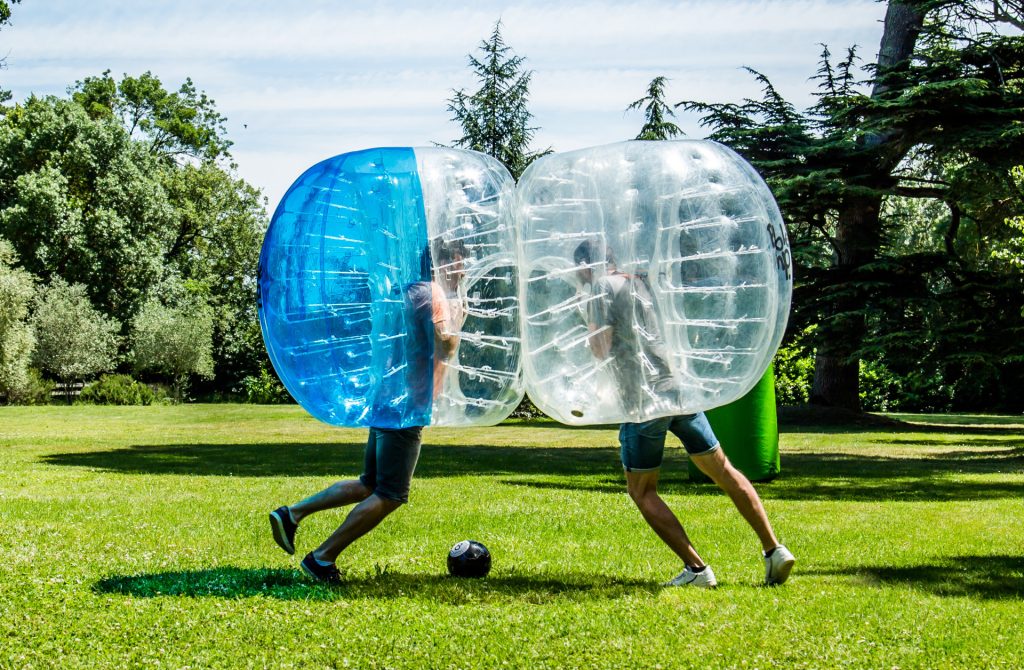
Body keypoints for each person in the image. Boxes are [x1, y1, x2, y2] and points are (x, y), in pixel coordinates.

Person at [573, 239, 794, 588]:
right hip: (677, 391)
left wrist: (588, 319)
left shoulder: (600, 288)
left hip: (643, 402)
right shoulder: (640, 282)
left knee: (641, 490)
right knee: (723, 470)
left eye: (579, 271)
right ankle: (774, 549)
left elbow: (601, 348)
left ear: (587, 266)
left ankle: (696, 569)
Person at [269, 239, 467, 583]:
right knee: (390, 494)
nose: (463, 269)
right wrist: (457, 325)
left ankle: (292, 514)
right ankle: (321, 559)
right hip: (406, 406)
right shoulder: (434, 295)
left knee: (369, 483)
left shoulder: (410, 290)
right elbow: (444, 343)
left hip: (388, 400)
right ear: (444, 261)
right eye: (460, 261)